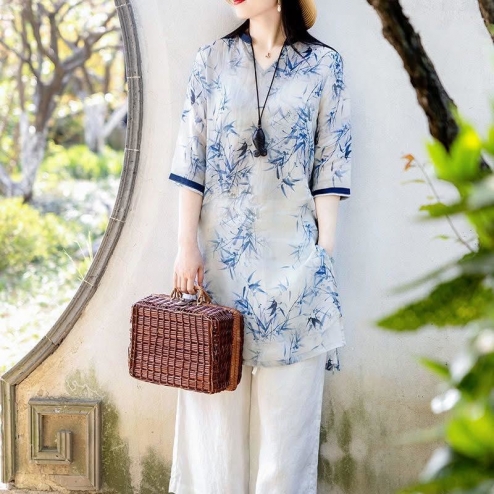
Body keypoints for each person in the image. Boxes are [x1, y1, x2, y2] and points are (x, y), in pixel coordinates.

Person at [167, 0, 352, 492]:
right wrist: (186, 246)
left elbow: (331, 166)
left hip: (297, 270)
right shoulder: (212, 60)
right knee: (213, 431)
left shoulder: (324, 65)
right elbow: (191, 159)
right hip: (217, 270)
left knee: (287, 436)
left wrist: (325, 256)